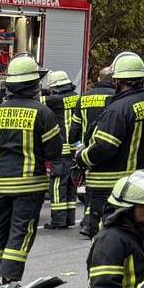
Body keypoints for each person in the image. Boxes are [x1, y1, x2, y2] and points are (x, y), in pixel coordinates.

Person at [0, 55, 60, 283]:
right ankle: (9, 280)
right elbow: (53, 151)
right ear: (34, 85)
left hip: (0, 184)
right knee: (21, 231)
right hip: (29, 185)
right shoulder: (43, 113)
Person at [78, 53, 144, 238]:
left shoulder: (118, 109)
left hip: (109, 184)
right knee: (134, 231)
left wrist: (81, 158)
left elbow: (104, 146)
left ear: (118, 81)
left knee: (107, 234)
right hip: (139, 182)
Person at [76, 65, 115, 231]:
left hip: (87, 148)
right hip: (109, 146)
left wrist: (76, 145)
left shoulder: (84, 97)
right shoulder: (117, 97)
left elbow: (75, 127)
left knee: (90, 186)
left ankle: (88, 221)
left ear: (98, 79)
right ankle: (99, 222)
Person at [44, 70, 82, 229]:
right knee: (71, 184)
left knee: (57, 184)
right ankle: (69, 218)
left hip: (60, 150)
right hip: (75, 150)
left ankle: (58, 221)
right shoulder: (77, 97)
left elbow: (34, 101)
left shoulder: (54, 100)